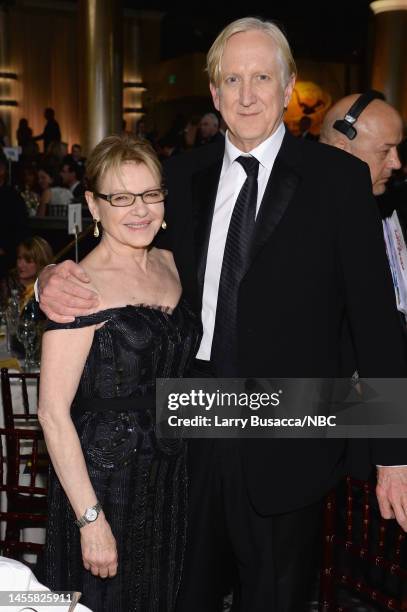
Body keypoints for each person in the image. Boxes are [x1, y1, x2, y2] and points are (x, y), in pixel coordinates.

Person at [37, 17, 407, 612]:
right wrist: (48, 280)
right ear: (213, 93)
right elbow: (124, 255)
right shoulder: (179, 178)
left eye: (262, 77)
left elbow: (375, 320)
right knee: (181, 595)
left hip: (291, 425)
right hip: (185, 428)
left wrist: (394, 453)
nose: (247, 94)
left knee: (276, 598)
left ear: (288, 87)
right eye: (231, 79)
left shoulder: (339, 180)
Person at [37, 134, 201, 611]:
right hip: (105, 482)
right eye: (121, 197)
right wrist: (91, 520)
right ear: (93, 203)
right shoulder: (78, 285)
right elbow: (51, 413)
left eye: (150, 194)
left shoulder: (172, 265)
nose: (140, 209)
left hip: (171, 477)